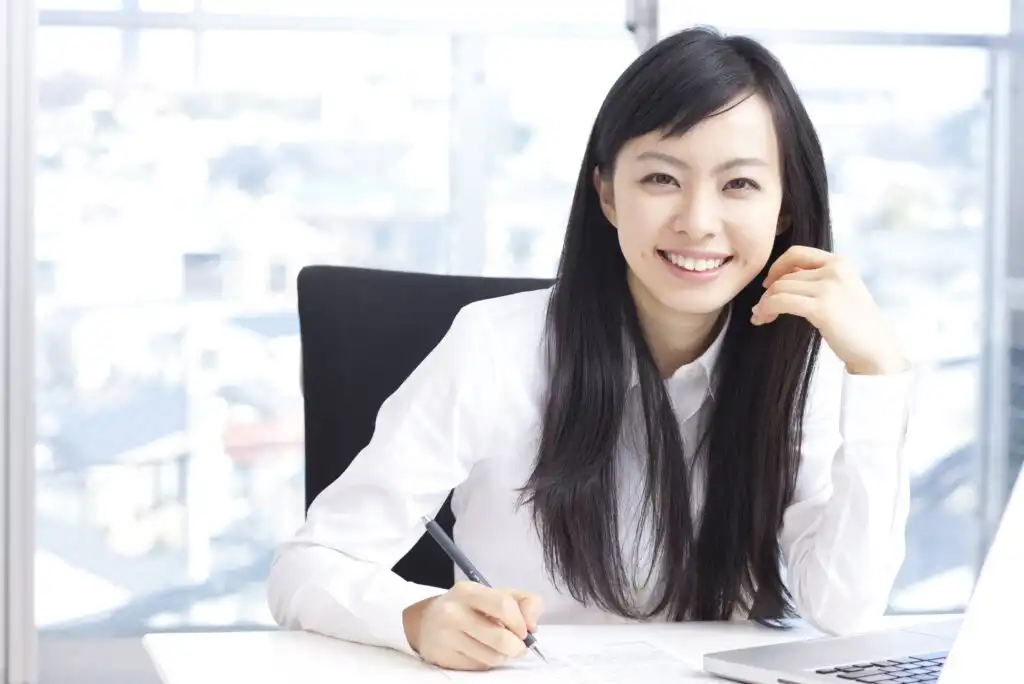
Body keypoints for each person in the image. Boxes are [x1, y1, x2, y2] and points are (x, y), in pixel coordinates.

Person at [267, 26, 912, 672]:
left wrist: (879, 374)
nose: (697, 220)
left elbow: (845, 606)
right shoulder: (495, 348)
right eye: (662, 178)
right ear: (606, 193)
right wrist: (414, 617)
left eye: (738, 185)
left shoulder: (806, 368)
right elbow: (307, 567)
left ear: (786, 208)